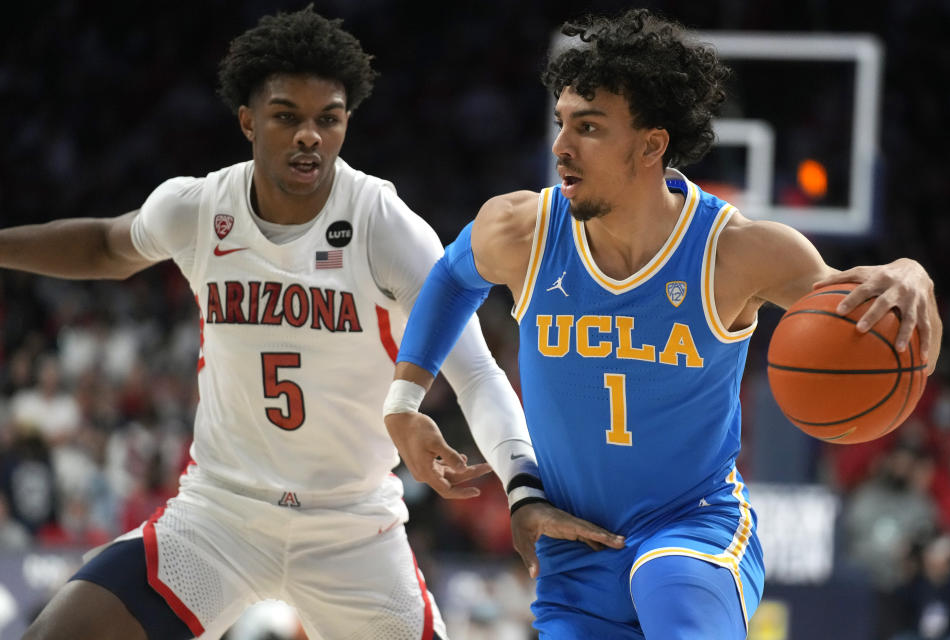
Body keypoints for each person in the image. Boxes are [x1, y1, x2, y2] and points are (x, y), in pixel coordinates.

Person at [2, 7, 621, 640]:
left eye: (328, 119)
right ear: (248, 121)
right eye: (286, 117)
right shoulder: (199, 209)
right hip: (222, 514)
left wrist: (523, 487)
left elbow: (478, 373)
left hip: (351, 529)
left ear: (347, 122)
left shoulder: (384, 223)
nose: (309, 137)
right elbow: (107, 246)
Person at [383, 8, 943, 640]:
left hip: (693, 528)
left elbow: (889, 338)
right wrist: (404, 400)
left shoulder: (736, 252)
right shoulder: (521, 231)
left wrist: (913, 276)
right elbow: (454, 276)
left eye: (589, 127)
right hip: (572, 541)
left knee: (670, 588)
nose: (562, 145)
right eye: (562, 121)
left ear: (651, 144)